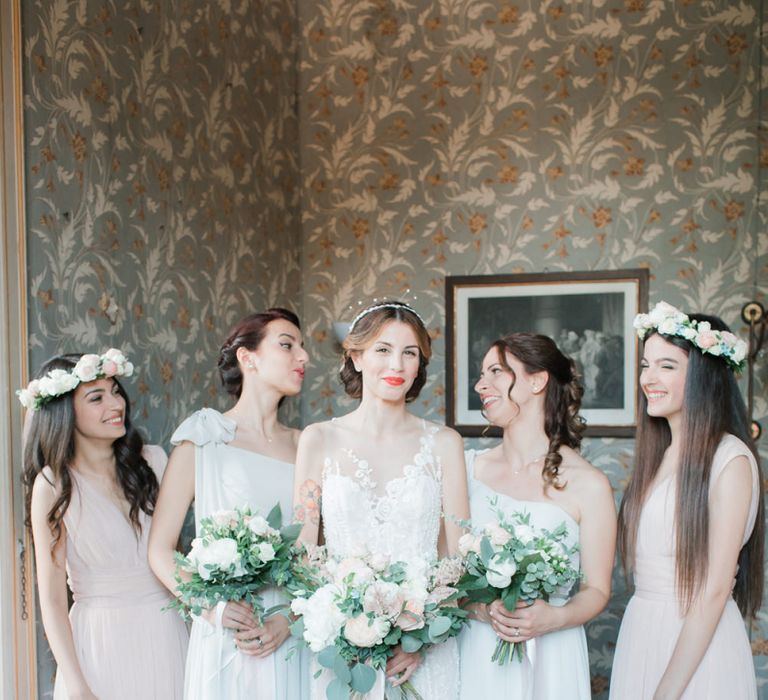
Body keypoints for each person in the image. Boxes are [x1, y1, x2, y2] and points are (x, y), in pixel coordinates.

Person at [293, 300, 469, 699]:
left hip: (424, 654)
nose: (397, 366)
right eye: (383, 350)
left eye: (410, 353)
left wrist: (420, 638)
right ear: (355, 357)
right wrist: (343, 625)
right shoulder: (318, 439)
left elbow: (459, 559)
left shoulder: (444, 444)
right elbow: (304, 551)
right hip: (342, 649)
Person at [148, 308, 309, 700]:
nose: (303, 357)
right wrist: (212, 609)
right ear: (247, 357)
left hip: (292, 628)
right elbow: (159, 549)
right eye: (287, 345)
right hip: (230, 628)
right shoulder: (204, 439)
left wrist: (289, 618)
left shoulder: (308, 445)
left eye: (303, 348)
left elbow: (316, 550)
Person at [611, 302, 762, 699]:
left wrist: (666, 692)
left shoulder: (730, 460)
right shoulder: (658, 456)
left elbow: (713, 590)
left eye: (667, 365)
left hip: (696, 646)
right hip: (642, 630)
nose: (649, 378)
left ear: (703, 375)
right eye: (645, 365)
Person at [22, 351, 188, 700]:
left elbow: (175, 555)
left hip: (165, 630)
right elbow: (52, 600)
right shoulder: (53, 485)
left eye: (115, 391)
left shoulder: (155, 461)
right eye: (96, 397)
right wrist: (77, 685)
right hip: (100, 640)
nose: (115, 404)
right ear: (64, 411)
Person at [461, 333, 616, 700]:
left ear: (537, 379)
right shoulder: (467, 470)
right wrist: (484, 610)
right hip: (475, 649)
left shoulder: (589, 485)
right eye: (481, 374)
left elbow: (597, 590)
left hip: (551, 655)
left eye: (496, 371)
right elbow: (444, 573)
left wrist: (554, 618)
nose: (481, 385)